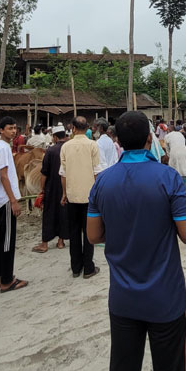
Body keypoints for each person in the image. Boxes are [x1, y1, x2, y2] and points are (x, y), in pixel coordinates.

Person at [87, 110, 186, 371]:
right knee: (170, 370)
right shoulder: (168, 177)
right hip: (166, 299)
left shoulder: (102, 181)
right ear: (150, 139)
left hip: (123, 299)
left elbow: (93, 236)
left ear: (119, 141)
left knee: (123, 369)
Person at [0, 116, 28, 292]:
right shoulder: (3, 148)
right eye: (9, 128)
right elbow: (4, 175)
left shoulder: (0, 147)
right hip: (5, 200)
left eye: (14, 128)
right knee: (7, 241)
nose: (13, 131)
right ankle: (7, 280)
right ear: (1, 130)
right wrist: (13, 200)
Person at [60, 116, 102, 279]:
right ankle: (88, 267)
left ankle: (76, 267)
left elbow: (62, 174)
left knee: (74, 231)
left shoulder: (66, 146)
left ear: (73, 128)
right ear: (87, 128)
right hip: (89, 196)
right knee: (89, 232)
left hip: (72, 195)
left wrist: (64, 194)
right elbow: (97, 172)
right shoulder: (93, 145)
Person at [33, 125, 69, 254]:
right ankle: (61, 241)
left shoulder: (51, 151)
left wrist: (42, 189)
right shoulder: (69, 149)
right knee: (64, 212)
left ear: (54, 137)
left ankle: (45, 244)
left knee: (48, 213)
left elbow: (44, 173)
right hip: (66, 186)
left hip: (51, 186)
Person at [164, 120, 186, 195]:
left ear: (169, 130)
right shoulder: (180, 135)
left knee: (174, 170)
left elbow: (167, 150)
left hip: (174, 153)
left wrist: (170, 158)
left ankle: (177, 191)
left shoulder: (167, 136)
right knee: (185, 169)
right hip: (184, 153)